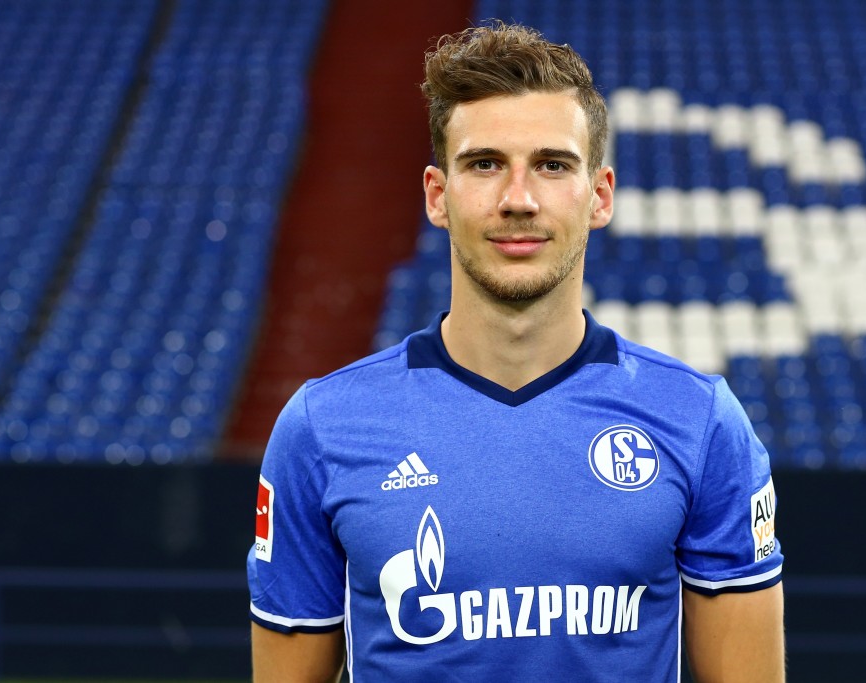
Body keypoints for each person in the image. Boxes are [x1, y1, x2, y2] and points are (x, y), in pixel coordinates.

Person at [248, 21, 785, 683]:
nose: (519, 199)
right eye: (484, 164)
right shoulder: (322, 428)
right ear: (438, 195)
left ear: (600, 195)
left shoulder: (700, 422)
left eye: (552, 165)